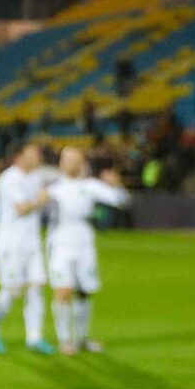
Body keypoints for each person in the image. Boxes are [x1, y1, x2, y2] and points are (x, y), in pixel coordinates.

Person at [45, 147, 130, 355]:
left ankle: (82, 338)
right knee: (64, 290)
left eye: (74, 159)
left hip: (84, 244)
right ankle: (65, 339)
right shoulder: (53, 188)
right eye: (66, 159)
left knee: (84, 291)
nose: (69, 163)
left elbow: (122, 201)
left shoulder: (90, 186)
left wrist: (116, 184)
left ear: (83, 163)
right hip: (60, 244)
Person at [0, 141, 54, 356]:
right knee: (12, 290)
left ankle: (34, 337)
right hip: (11, 243)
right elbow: (22, 208)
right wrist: (41, 200)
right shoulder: (9, 179)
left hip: (32, 242)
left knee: (36, 288)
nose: (38, 156)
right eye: (33, 152)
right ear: (19, 156)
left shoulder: (36, 177)